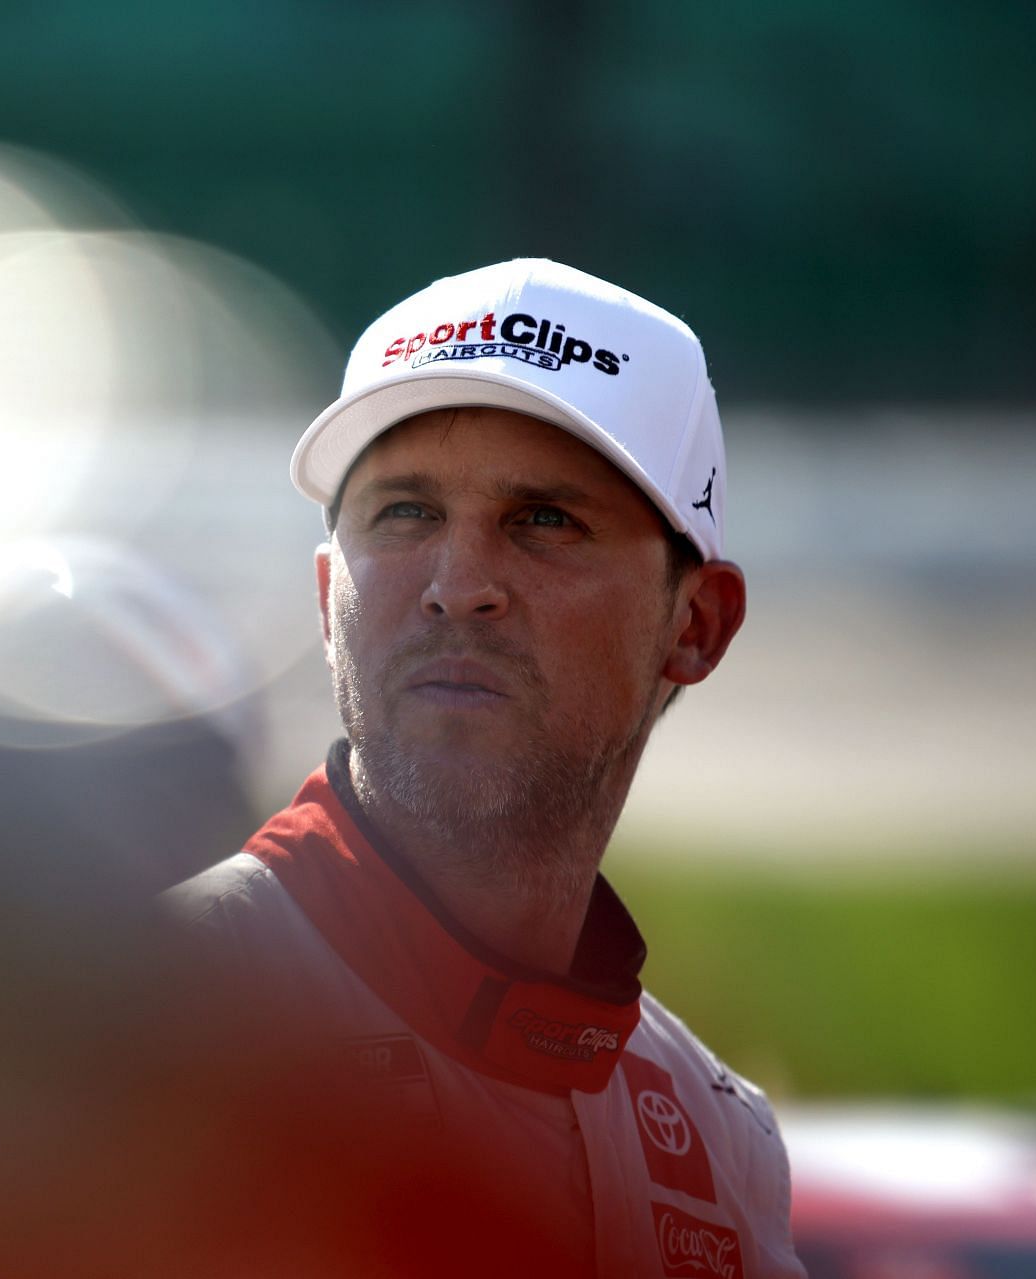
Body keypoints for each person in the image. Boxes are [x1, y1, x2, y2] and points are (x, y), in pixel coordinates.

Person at [164, 259, 805, 1277]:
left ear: (696, 623)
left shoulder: (719, 1141)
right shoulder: (120, 1033)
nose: (458, 588)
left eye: (544, 520)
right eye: (405, 515)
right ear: (330, 597)